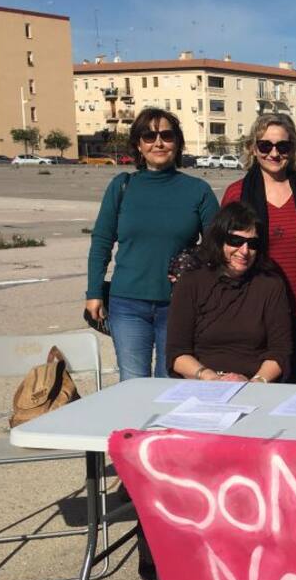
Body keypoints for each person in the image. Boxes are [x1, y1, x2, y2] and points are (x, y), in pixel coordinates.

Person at [85, 108, 218, 380]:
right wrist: (94, 291)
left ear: (177, 143)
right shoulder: (122, 186)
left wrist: (198, 270)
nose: (158, 143)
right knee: (133, 381)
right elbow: (101, 241)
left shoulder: (198, 190)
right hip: (128, 303)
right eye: (149, 136)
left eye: (166, 136)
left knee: (171, 382)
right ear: (138, 144)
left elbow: (216, 247)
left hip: (179, 305)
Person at [221, 113, 296, 384]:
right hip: (256, 309)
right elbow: (224, 250)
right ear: (253, 148)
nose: (274, 153)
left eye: (283, 146)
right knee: (256, 389)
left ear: (293, 149)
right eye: (265, 145)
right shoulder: (237, 193)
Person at [165, 203, 292, 383]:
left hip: (253, 382)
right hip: (201, 381)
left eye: (252, 244)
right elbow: (177, 353)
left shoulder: (270, 285)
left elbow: (280, 352)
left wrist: (255, 382)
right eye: (235, 241)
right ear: (219, 240)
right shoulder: (191, 282)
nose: (244, 251)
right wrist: (210, 377)